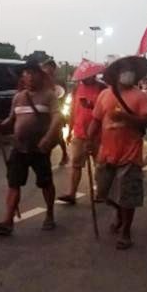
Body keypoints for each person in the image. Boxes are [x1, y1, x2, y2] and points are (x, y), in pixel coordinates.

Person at [0, 61, 63, 235]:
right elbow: (11, 120)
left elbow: (57, 118)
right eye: (25, 74)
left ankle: (49, 214)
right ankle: (8, 221)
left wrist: (48, 137)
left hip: (39, 149)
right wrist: (0, 126)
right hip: (19, 148)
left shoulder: (49, 96)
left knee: (45, 183)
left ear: (39, 75)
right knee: (13, 184)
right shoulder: (18, 97)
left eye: (31, 73)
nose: (28, 77)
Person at [87, 56, 147, 250]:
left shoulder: (140, 97)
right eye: (124, 70)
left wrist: (126, 117)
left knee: (127, 196)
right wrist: (88, 140)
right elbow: (96, 120)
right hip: (106, 154)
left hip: (130, 154)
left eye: (130, 70)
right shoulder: (104, 95)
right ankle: (119, 213)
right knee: (104, 193)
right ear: (116, 74)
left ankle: (126, 231)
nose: (128, 73)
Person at [57, 60, 107, 204]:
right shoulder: (76, 89)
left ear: (93, 75)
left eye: (87, 76)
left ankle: (101, 192)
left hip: (98, 134)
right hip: (79, 133)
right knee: (76, 165)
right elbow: (73, 110)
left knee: (100, 166)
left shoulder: (103, 88)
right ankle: (71, 193)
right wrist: (70, 130)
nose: (84, 79)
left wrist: (91, 105)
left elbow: (106, 109)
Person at [42, 59, 69, 166]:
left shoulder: (58, 81)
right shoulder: (42, 80)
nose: (46, 70)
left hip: (57, 111)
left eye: (48, 68)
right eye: (45, 68)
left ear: (53, 69)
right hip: (45, 112)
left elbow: (63, 94)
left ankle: (65, 154)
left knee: (58, 136)